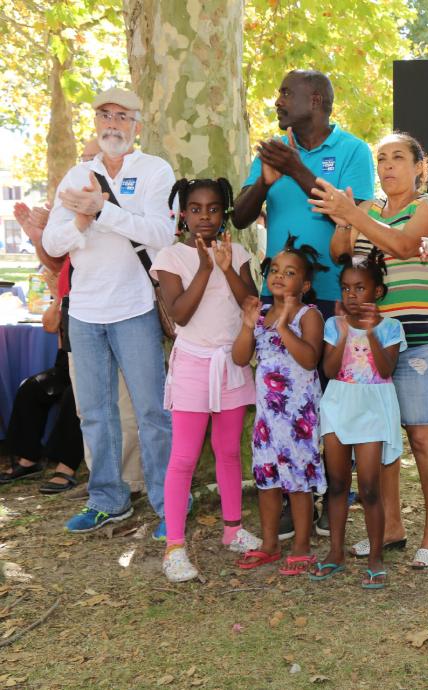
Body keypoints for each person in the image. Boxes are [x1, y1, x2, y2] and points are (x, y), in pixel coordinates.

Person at [232, 68, 374, 537]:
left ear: (314, 100)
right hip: (283, 298)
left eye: (284, 92)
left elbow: (346, 212)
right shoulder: (274, 149)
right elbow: (241, 215)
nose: (276, 100)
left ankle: (332, 494)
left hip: (338, 295)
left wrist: (294, 168)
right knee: (286, 397)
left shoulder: (353, 151)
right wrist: (267, 179)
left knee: (328, 401)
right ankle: (298, 501)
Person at [312, 131, 428, 568]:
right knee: (384, 434)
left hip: (422, 339)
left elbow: (404, 245)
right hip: (378, 338)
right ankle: (391, 526)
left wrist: (355, 214)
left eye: (397, 158)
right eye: (382, 159)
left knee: (422, 432)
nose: (388, 167)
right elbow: (341, 254)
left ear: (419, 168)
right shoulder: (369, 209)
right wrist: (344, 222)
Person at [41, 86, 175, 534]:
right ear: (95, 123)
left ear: (137, 125)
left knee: (152, 410)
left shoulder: (154, 170)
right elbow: (52, 243)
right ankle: (108, 500)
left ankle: (166, 504)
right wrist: (80, 221)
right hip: (84, 311)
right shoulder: (77, 172)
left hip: (135, 306)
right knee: (94, 412)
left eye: (122, 116)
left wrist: (101, 210)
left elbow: (160, 234)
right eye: (105, 116)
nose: (112, 124)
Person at [13, 139, 145, 496]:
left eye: (95, 159)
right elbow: (57, 261)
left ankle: (131, 482)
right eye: (85, 158)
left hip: (125, 309)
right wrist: (39, 236)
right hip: (80, 313)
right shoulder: (69, 205)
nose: (89, 166)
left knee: (124, 402)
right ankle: (101, 485)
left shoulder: (130, 196)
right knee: (90, 405)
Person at [151, 177, 261, 582]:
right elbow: (179, 313)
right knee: (183, 457)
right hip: (194, 365)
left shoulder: (240, 252)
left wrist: (227, 267)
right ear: (182, 214)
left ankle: (233, 529)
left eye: (213, 209)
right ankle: (175, 547)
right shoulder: (170, 256)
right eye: (195, 209)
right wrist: (203, 267)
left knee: (229, 451)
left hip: (231, 363)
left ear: (224, 213)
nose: (204, 217)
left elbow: (250, 303)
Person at [230, 240, 328, 574]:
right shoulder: (260, 314)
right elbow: (241, 358)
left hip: (298, 417)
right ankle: (270, 543)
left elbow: (310, 359)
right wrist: (247, 325)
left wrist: (284, 326)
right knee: (267, 480)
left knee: (298, 482)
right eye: (274, 270)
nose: (279, 277)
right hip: (268, 420)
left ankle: (301, 545)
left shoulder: (308, 315)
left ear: (305, 285)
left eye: (290, 273)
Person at [313, 251, 406, 588]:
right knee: (337, 484)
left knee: (368, 487)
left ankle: (376, 557)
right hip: (339, 402)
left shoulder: (392, 327)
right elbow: (328, 369)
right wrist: (343, 332)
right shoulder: (332, 325)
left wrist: (368, 332)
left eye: (360, 289)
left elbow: (384, 369)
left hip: (372, 407)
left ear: (377, 292)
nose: (352, 296)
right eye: (346, 289)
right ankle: (335, 552)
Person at [0, 273, 83, 494]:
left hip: (90, 367)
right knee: (31, 388)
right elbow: (49, 325)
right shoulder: (67, 287)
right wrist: (59, 297)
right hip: (66, 365)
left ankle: (66, 465)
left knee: (73, 397)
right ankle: (29, 459)